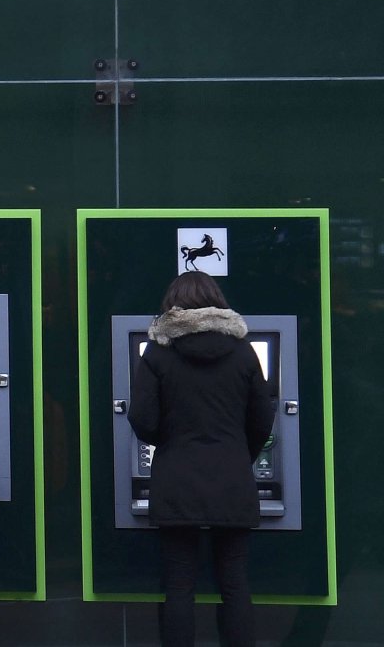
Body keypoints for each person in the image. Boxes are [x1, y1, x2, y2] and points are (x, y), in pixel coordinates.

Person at [128, 272, 275, 647]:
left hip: (177, 478)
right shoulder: (243, 351)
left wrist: (171, 443)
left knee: (179, 585)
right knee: (235, 583)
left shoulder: (158, 353)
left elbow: (142, 419)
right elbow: (262, 417)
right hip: (231, 477)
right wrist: (241, 455)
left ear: (172, 304)